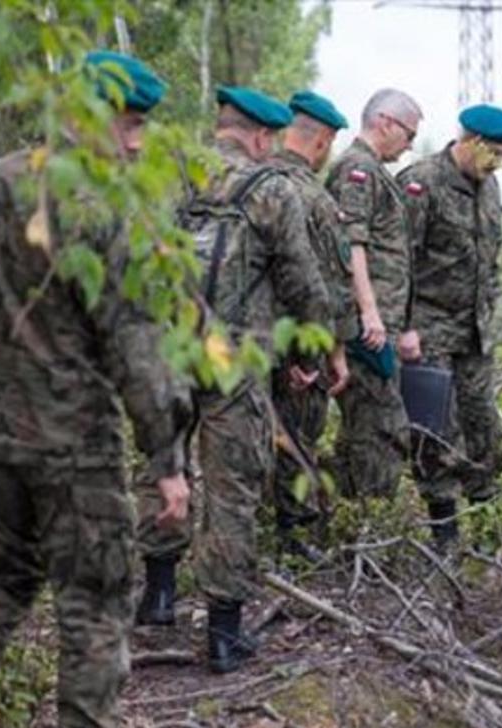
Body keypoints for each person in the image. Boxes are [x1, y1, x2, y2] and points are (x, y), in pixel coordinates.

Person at [0, 51, 191, 728]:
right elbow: (135, 344)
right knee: (94, 604)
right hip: (75, 448)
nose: (134, 143)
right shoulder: (101, 205)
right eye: (127, 125)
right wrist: (167, 460)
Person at [141, 86, 330, 674]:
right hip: (237, 358)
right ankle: (224, 635)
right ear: (262, 136)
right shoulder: (272, 188)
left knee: (158, 465)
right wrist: (309, 351)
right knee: (232, 487)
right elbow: (302, 281)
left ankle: (159, 596)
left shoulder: (169, 172)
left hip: (167, 347)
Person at [398, 103, 502, 551]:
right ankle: (444, 537)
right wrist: (404, 326)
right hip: (427, 328)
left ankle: (490, 535)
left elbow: (490, 260)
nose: (496, 164)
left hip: (474, 331)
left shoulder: (490, 189)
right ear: (467, 142)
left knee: (483, 425)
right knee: (435, 433)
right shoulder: (422, 182)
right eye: (492, 153)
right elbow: (398, 261)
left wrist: (489, 308)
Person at [266, 90, 357, 561]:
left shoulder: (252, 181)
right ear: (321, 143)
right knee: (299, 435)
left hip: (244, 341)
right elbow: (328, 285)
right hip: (298, 340)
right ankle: (292, 536)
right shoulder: (312, 197)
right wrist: (329, 353)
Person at [325, 88, 425, 503]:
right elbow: (352, 245)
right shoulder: (356, 170)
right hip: (365, 328)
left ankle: (344, 520)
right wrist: (370, 313)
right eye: (409, 135)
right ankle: (361, 521)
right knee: (382, 429)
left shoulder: (374, 171)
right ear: (385, 122)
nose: (409, 147)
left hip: (379, 326)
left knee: (367, 430)